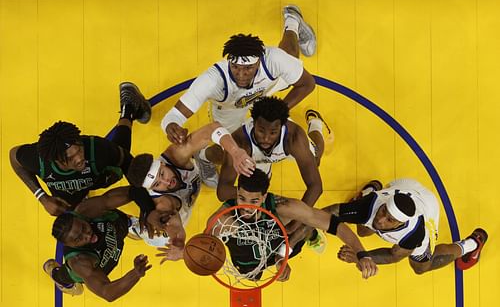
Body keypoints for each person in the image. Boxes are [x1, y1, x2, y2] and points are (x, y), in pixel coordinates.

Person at [161, 5, 317, 187]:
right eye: (236, 67)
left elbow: (307, 84)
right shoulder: (213, 80)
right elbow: (173, 116)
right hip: (229, 109)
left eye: (248, 69)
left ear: (259, 61)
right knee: (227, 150)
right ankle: (203, 157)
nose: (241, 75)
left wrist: (275, 113)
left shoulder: (273, 59)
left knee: (289, 57)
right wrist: (171, 126)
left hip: (265, 92)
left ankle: (292, 20)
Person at [192, 169, 378, 281]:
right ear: (237, 192)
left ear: (264, 197)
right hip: (245, 259)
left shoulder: (283, 207)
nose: (247, 206)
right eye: (241, 198)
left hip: (282, 245)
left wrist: (362, 254)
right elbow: (201, 249)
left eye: (254, 200)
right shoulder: (223, 220)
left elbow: (334, 224)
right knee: (251, 275)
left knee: (303, 229)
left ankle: (312, 236)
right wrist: (186, 250)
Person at [9, 82, 151, 216]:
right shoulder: (38, 159)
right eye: (70, 158)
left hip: (100, 175)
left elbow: (126, 159)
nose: (79, 158)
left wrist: (146, 205)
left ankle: (128, 108)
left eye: (79, 150)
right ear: (54, 160)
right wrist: (41, 196)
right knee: (73, 212)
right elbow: (14, 157)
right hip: (70, 192)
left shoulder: (96, 147)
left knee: (118, 152)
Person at [217, 96, 331, 252]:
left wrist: (298, 221)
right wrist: (265, 198)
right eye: (261, 130)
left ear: (282, 127)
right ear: (254, 123)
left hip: (285, 151)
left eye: (273, 132)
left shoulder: (294, 138)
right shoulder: (240, 142)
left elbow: (315, 186)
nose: (266, 138)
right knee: (255, 184)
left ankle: (316, 125)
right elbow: (222, 191)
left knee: (316, 158)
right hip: (253, 159)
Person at [125, 121, 256, 258]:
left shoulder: (176, 155)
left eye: (162, 174)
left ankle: (202, 161)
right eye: (158, 184)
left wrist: (236, 152)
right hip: (174, 219)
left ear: (162, 163)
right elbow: (174, 225)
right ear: (153, 189)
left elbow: (212, 128)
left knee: (219, 150)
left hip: (188, 189)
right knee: (160, 239)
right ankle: (136, 228)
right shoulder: (164, 204)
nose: (167, 182)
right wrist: (178, 240)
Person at [328, 179, 488, 274]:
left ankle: (472, 244)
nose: (381, 220)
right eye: (383, 211)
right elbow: (331, 211)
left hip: (428, 206)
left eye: (390, 220)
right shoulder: (373, 204)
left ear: (401, 223)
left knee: (420, 267)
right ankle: (370, 192)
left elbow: (394, 255)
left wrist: (361, 256)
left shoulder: (415, 233)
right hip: (404, 186)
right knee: (364, 226)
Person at [43, 186, 160, 301]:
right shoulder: (80, 262)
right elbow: (107, 293)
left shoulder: (85, 210)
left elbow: (132, 191)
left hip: (114, 231)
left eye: (83, 227)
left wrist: (147, 209)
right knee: (65, 276)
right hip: (100, 266)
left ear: (79, 218)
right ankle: (57, 276)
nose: (87, 235)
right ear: (70, 245)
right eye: (78, 239)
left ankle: (130, 224)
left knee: (112, 215)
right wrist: (136, 274)